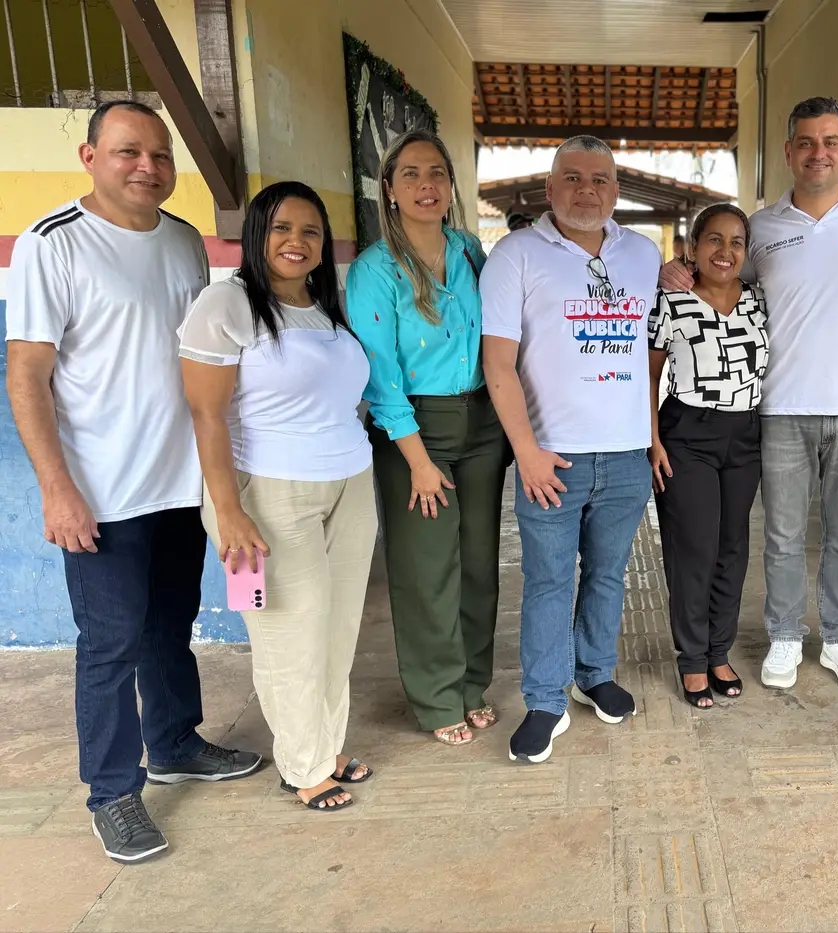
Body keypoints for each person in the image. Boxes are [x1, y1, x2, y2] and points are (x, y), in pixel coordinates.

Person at [4, 100, 262, 863]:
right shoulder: (52, 243)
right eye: (127, 152)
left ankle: (175, 742)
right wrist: (56, 487)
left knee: (168, 626)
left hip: (182, 481)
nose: (147, 166)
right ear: (90, 157)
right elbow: (27, 374)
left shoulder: (183, 241)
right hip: (102, 493)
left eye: (159, 154)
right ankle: (113, 791)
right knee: (110, 644)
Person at [660, 97, 838, 694]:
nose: (819, 153)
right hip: (780, 409)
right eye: (806, 142)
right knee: (782, 538)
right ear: (788, 151)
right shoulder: (761, 227)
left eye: (830, 141)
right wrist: (672, 270)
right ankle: (785, 634)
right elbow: (718, 278)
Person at [181, 182, 378, 812]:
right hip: (268, 494)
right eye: (281, 228)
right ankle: (302, 766)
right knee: (289, 633)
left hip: (350, 483)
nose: (297, 241)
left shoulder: (323, 307)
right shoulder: (226, 303)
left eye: (311, 231)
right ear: (256, 234)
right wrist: (229, 512)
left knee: (338, 629)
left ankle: (325, 745)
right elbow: (206, 415)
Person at [481, 135, 662, 763]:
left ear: (617, 190)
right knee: (550, 580)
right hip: (552, 457)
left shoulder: (643, 254)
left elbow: (651, 350)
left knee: (609, 574)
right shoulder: (516, 255)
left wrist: (649, 441)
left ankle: (594, 674)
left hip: (626, 455)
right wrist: (526, 451)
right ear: (549, 187)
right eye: (573, 178)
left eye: (600, 179)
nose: (587, 190)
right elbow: (498, 363)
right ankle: (543, 699)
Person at [346, 130, 509, 747]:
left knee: (479, 564)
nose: (426, 185)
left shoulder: (469, 250)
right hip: (415, 430)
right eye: (410, 174)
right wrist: (416, 459)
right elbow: (380, 372)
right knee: (427, 569)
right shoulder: (375, 269)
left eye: (436, 172)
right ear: (389, 189)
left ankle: (472, 685)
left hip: (483, 422)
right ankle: (438, 696)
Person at [649, 204, 768, 708]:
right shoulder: (671, 300)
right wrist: (653, 440)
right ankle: (693, 658)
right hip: (687, 433)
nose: (725, 251)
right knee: (693, 549)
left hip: (745, 434)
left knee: (732, 548)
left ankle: (720, 650)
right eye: (714, 239)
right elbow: (649, 374)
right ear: (693, 247)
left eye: (737, 241)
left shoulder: (758, 299)